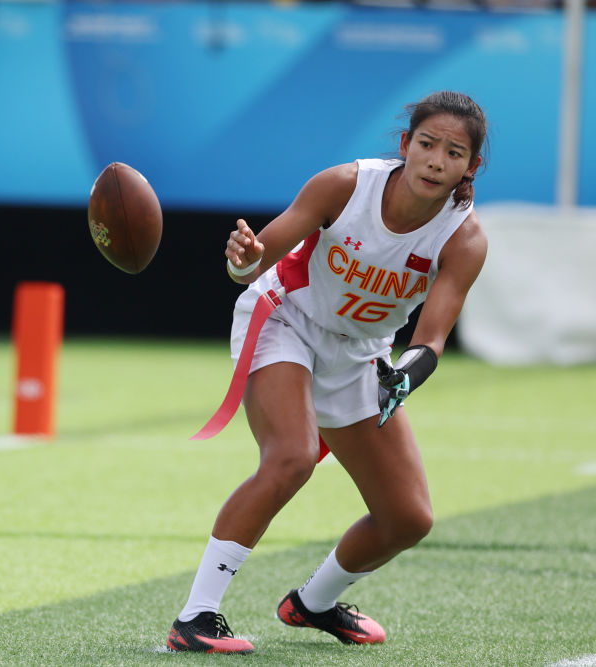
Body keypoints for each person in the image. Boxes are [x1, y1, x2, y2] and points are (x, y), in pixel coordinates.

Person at [166, 90, 488, 654]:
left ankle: (312, 603)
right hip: (286, 318)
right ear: (406, 143)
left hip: (361, 351)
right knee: (291, 457)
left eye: (454, 153)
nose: (437, 161)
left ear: (471, 167)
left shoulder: (464, 238)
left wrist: (404, 375)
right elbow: (256, 260)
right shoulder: (344, 185)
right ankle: (195, 618)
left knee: (408, 518)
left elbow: (431, 339)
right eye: (427, 144)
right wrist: (242, 258)